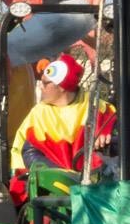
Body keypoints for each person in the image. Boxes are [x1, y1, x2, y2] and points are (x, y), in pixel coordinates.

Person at [9, 54, 116, 204]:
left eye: (45, 83)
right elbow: (30, 153)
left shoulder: (93, 106)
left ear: (61, 88)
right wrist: (61, 174)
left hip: (92, 184)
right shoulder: (39, 113)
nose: (41, 86)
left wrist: (107, 133)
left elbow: (113, 129)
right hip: (50, 183)